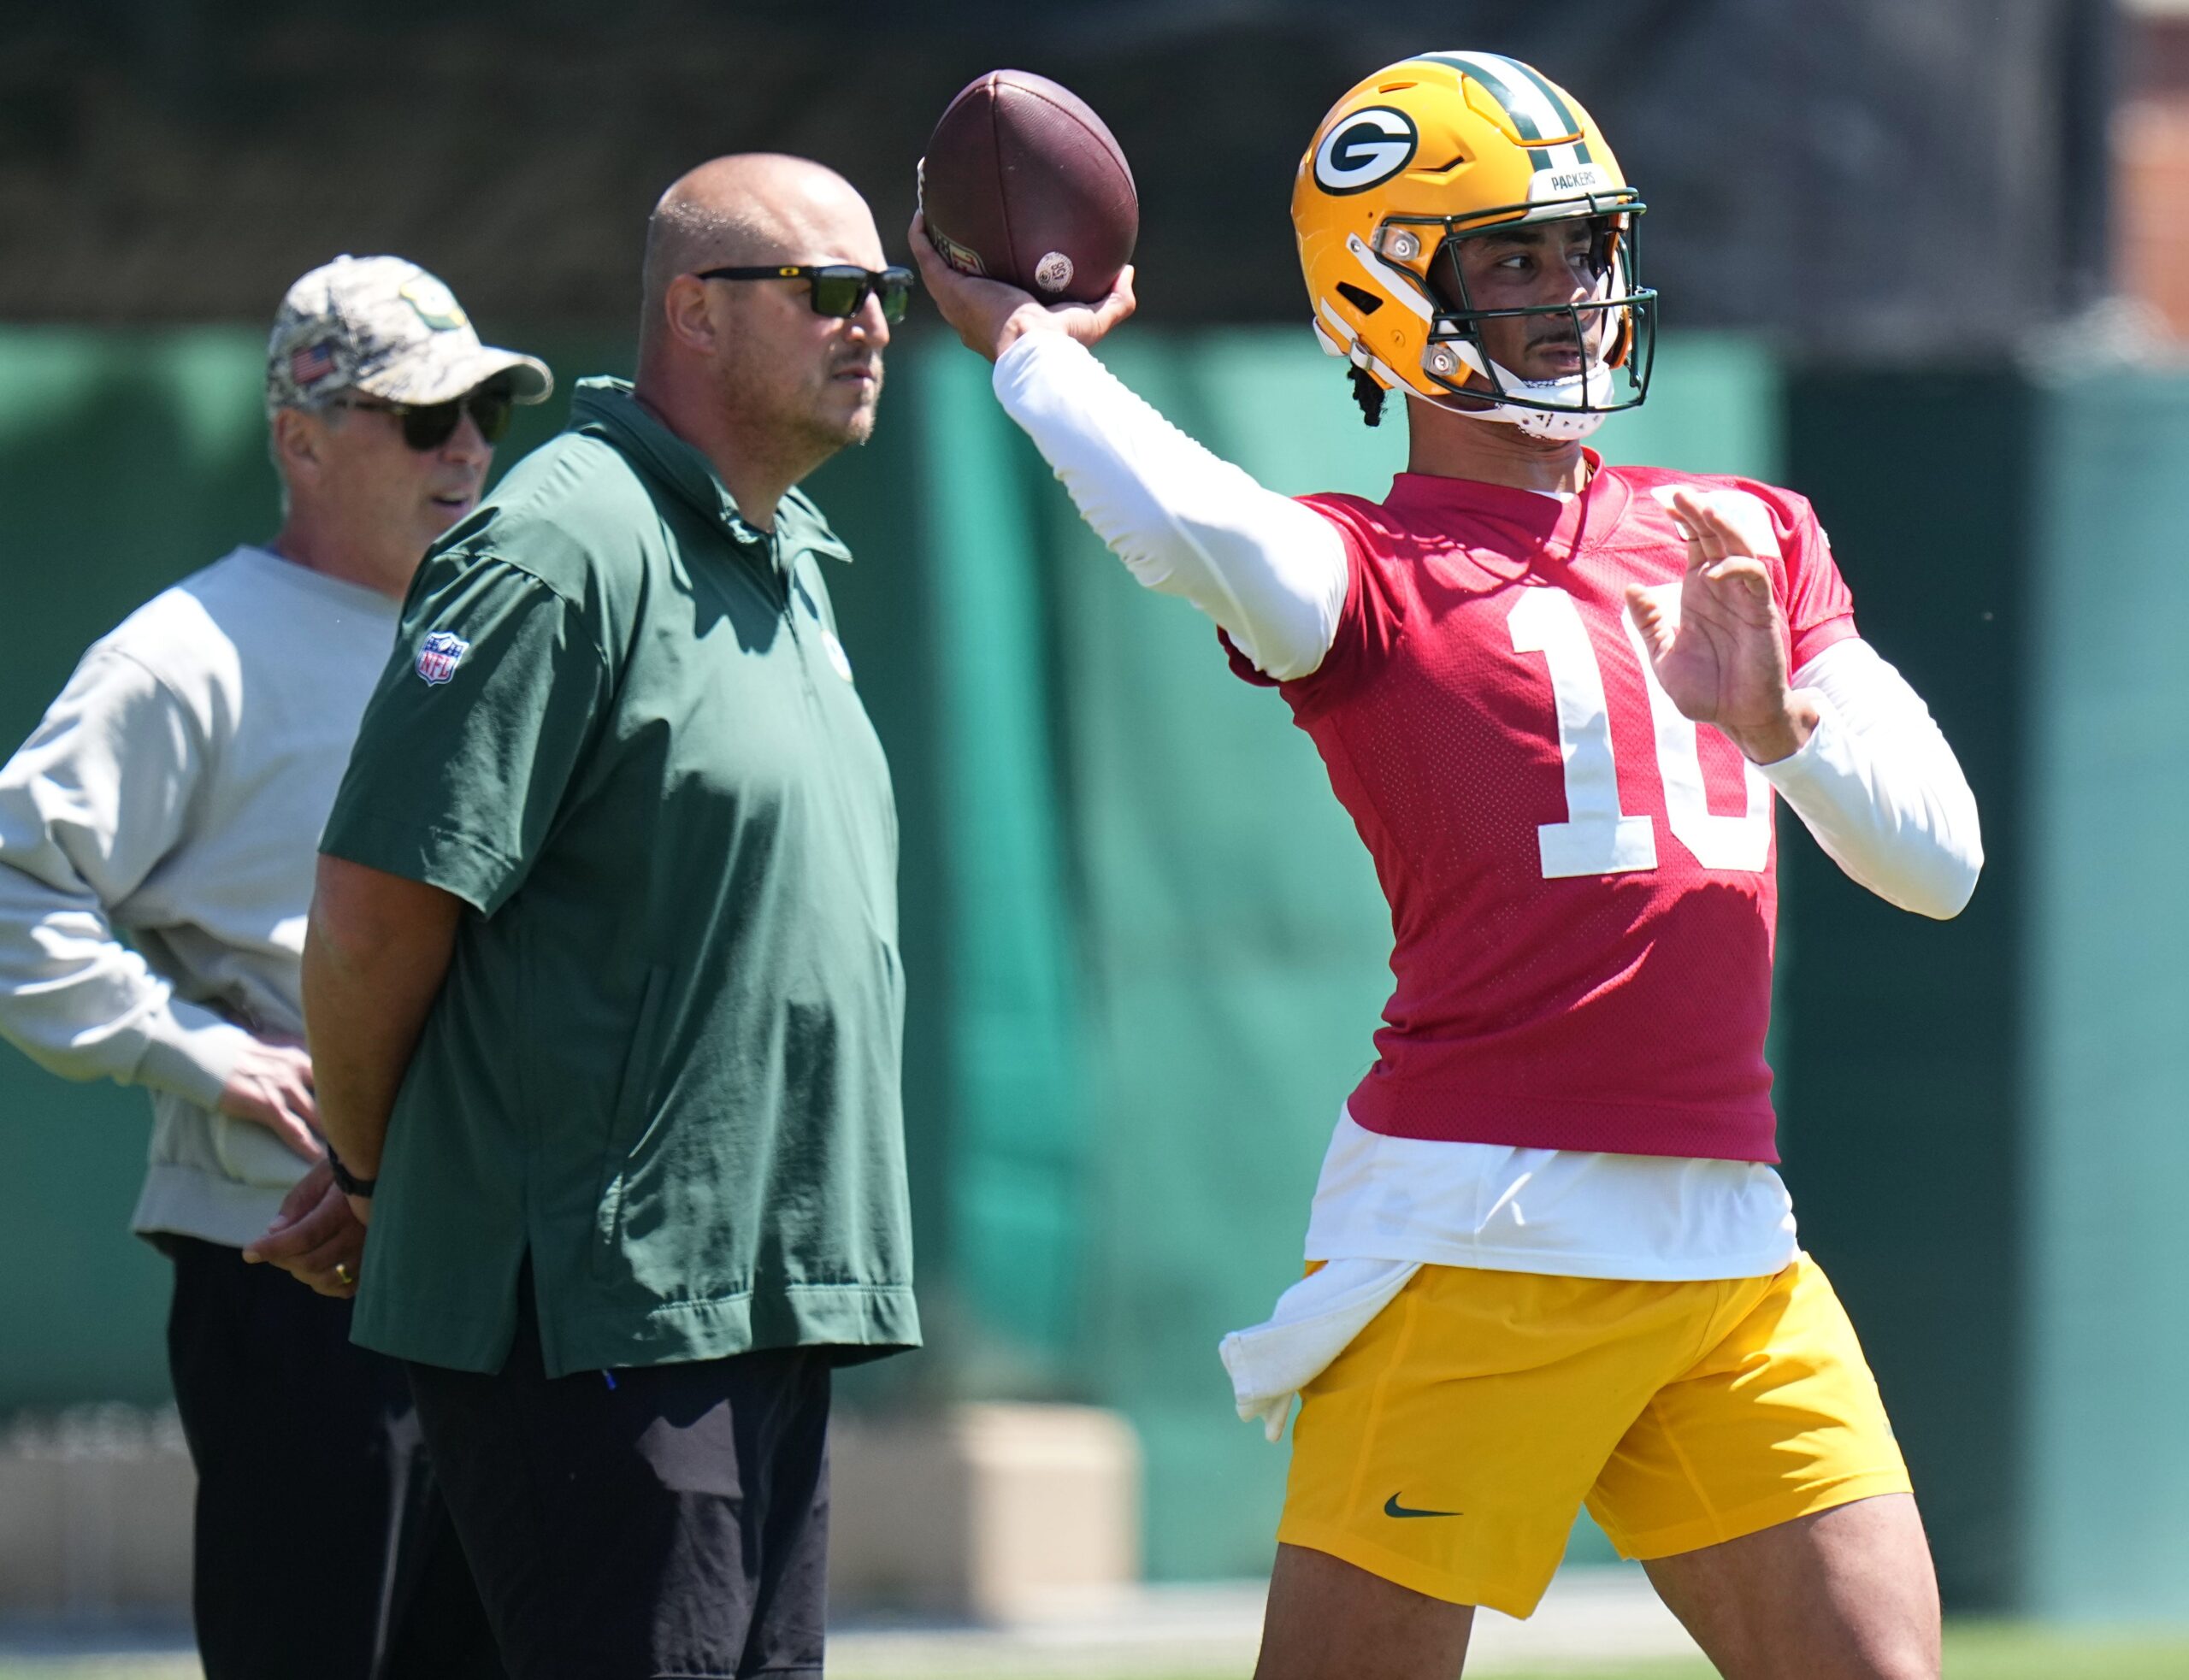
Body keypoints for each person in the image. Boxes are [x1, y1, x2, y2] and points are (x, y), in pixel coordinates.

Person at [915, 50, 1980, 1680]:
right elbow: (1183, 519)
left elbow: (1940, 864)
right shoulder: (1365, 573)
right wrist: (1033, 351)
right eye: (1511, 256)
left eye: (1583, 249)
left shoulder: (1737, 527)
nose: (1568, 295)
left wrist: (1782, 731)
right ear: (1389, 287)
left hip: (1730, 1246)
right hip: (1488, 1233)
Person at [289, 155, 919, 1680]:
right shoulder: (564, 539)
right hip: (599, 1315)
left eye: (883, 295)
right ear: (695, 313)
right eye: (828, 292)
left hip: (753, 1302)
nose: (873, 327)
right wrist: (373, 1174)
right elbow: (377, 911)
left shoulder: (782, 556)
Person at [0, 253, 545, 1677]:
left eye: (484, 412)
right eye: (426, 421)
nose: (470, 448)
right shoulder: (188, 652)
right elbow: (11, 875)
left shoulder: (485, 630)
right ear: (300, 440)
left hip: (486, 1267)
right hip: (293, 1260)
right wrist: (192, 1046)